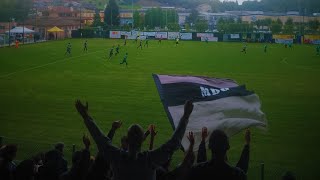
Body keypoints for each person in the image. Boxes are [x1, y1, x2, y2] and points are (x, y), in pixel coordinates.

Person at [75, 100, 194, 180]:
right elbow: (174, 143)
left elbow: (101, 140)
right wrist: (186, 116)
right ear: (143, 139)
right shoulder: (150, 160)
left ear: (127, 139)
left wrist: (85, 116)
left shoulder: (117, 157)